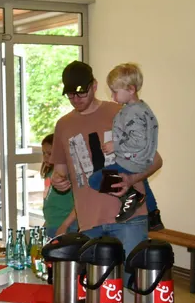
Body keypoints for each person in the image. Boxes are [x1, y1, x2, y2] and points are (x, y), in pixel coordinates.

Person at [50, 61, 162, 272]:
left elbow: (155, 160)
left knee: (133, 283)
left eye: (81, 93)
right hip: (89, 222)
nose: (76, 99)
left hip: (129, 218)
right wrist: (58, 180)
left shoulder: (121, 111)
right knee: (96, 291)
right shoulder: (63, 125)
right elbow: (60, 171)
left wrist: (131, 180)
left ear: (94, 86)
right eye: (71, 95)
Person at [86, 63, 163, 229]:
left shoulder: (132, 112)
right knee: (145, 185)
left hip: (131, 160)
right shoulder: (143, 107)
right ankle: (153, 214)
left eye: (115, 92)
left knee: (94, 180)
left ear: (131, 89)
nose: (113, 97)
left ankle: (130, 194)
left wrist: (116, 146)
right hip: (144, 159)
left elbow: (137, 140)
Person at [40, 133, 77, 238]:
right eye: (43, 153)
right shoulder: (49, 173)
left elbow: (79, 204)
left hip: (67, 226)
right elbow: (49, 200)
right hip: (52, 225)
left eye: (49, 153)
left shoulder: (67, 174)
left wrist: (65, 225)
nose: (45, 157)